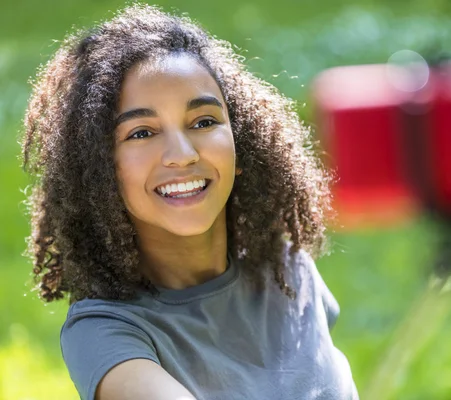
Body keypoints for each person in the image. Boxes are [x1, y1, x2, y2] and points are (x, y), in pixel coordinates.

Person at [21, 4, 358, 399]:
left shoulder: (286, 266)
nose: (182, 154)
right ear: (99, 172)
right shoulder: (105, 334)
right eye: (142, 132)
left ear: (241, 142)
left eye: (203, 123)